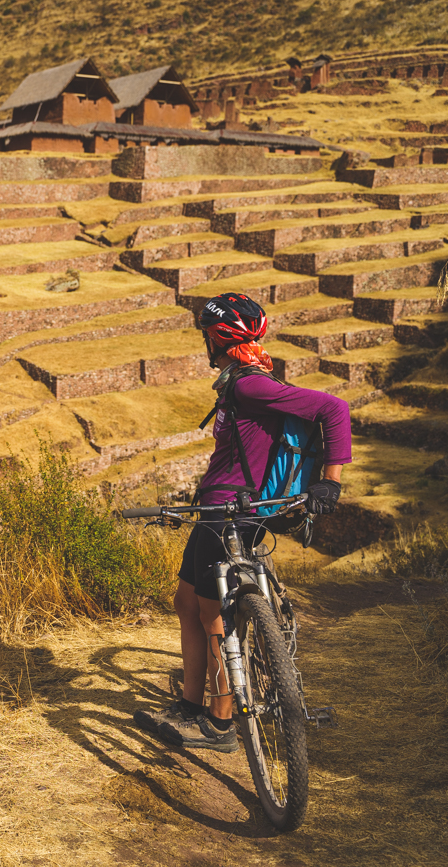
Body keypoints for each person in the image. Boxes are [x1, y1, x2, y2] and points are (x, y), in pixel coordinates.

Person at [133, 292, 352, 753]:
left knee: (214, 614)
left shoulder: (248, 385)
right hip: (217, 508)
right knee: (186, 602)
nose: (205, 344)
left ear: (217, 338)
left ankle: (219, 721)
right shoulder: (244, 380)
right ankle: (192, 705)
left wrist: (331, 483)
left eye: (206, 336)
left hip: (232, 512)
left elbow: (334, 409)